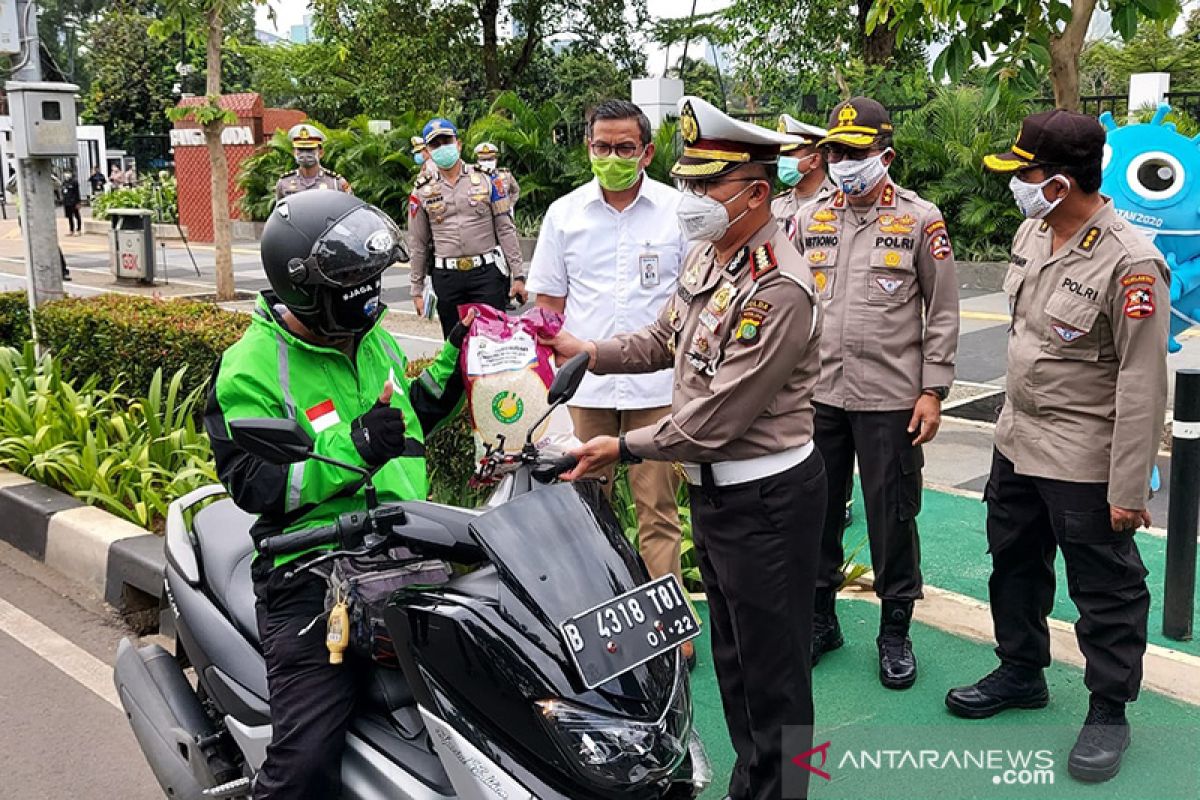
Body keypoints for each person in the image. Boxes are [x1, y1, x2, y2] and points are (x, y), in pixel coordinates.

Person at [545, 95, 826, 800]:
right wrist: (591, 353)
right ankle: (751, 778)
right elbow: (664, 339)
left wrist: (620, 446)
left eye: (709, 186)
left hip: (766, 497)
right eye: (691, 181)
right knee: (733, 658)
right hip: (719, 495)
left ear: (757, 192)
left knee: (778, 673)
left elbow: (714, 422)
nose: (693, 197)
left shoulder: (777, 287)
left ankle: (786, 790)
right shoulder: (713, 253)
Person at [204, 191, 470, 800]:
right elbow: (255, 483)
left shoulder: (370, 337)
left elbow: (406, 417)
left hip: (408, 549)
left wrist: (459, 355)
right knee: (303, 764)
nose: (368, 293)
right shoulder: (249, 366)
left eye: (371, 278)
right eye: (353, 282)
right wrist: (356, 447)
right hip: (311, 573)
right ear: (305, 290)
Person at [946, 109, 1169, 784]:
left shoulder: (1130, 263)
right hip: (1015, 439)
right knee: (1013, 562)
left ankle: (1109, 711)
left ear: (1061, 183)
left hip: (1081, 454)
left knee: (1104, 589)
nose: (1017, 183)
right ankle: (1021, 671)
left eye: (1027, 172)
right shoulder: (1032, 230)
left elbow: (1141, 383)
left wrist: (1128, 489)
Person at [793, 97, 960, 689]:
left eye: (855, 152)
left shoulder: (920, 219)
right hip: (818, 394)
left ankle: (895, 632)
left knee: (893, 516)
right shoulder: (808, 216)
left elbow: (941, 311)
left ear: (884, 155)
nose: (842, 162)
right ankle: (820, 620)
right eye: (835, 150)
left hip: (891, 397)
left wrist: (933, 389)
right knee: (814, 512)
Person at [526, 99, 693, 667]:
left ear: (647, 151)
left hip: (654, 391)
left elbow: (693, 299)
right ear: (588, 148)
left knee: (657, 512)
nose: (614, 157)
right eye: (603, 146)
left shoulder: (677, 211)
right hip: (585, 393)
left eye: (625, 147)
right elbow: (548, 306)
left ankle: (668, 629)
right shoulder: (564, 214)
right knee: (582, 513)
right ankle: (594, 628)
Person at [407, 117, 526, 338]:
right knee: (454, 348)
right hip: (447, 277)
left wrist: (518, 276)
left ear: (458, 144)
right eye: (435, 144)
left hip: (487, 275)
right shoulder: (421, 192)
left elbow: (505, 229)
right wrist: (416, 289)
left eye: (447, 141)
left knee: (494, 345)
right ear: (428, 151)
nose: (443, 147)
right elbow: (418, 243)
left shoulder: (488, 180)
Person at [772, 113, 829, 238]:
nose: (781, 161)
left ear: (814, 160)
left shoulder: (837, 203)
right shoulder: (776, 206)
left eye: (788, 155)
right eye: (781, 155)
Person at [275, 124, 352, 199]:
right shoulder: (284, 183)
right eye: (300, 150)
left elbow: (351, 207)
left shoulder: (336, 183)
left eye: (310, 150)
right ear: (294, 152)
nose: (304, 154)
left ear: (321, 153)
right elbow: (279, 210)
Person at [473, 141, 520, 206]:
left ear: (496, 160)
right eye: (483, 160)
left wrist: (510, 204)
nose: (487, 162)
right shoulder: (473, 177)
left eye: (490, 159)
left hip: (502, 210)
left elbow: (515, 190)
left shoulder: (505, 175)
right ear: (478, 161)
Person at [61, 170, 82, 235]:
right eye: (65, 173)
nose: (66, 175)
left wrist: (78, 202)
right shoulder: (64, 182)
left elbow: (77, 193)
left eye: (68, 173)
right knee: (70, 217)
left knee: (77, 216)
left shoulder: (74, 182)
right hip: (67, 202)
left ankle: (79, 230)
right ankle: (71, 230)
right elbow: (63, 192)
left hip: (74, 202)